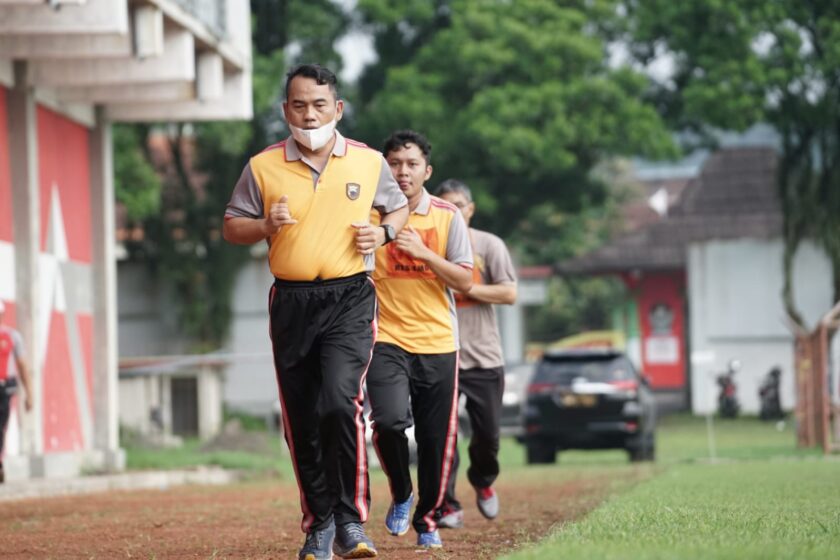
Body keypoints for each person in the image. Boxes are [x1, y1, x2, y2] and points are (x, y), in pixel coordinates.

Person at [223, 64, 408, 560]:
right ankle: (319, 524)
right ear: (285, 110)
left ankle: (351, 522)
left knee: (337, 402)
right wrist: (265, 223)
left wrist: (384, 233)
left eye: (319, 104)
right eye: (299, 105)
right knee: (302, 418)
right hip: (292, 303)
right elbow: (231, 226)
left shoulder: (368, 163)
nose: (309, 115)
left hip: (350, 297)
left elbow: (398, 208)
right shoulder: (262, 166)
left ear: (338, 108)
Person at [366, 130, 474, 550]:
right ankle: (400, 489)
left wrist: (424, 253)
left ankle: (427, 518)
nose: (403, 172)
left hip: (438, 342)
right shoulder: (370, 215)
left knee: (433, 439)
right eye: (394, 164)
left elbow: (465, 279)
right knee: (389, 422)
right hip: (386, 338)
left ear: (427, 171)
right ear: (384, 169)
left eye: (411, 165)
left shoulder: (448, 217)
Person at [432, 179, 517, 528]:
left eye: (460, 205)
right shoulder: (429, 245)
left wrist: (466, 285)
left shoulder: (488, 244)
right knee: (442, 435)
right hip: (440, 351)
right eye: (446, 205)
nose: (455, 211)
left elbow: (509, 293)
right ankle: (447, 504)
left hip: (484, 356)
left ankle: (482, 481)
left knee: (489, 436)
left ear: (471, 208)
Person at [0, 300, 34, 484]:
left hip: (5, 387)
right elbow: (22, 366)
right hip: (5, 387)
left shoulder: (13, 337)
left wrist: (30, 394)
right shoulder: (13, 336)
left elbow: (22, 365)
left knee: (0, 426)